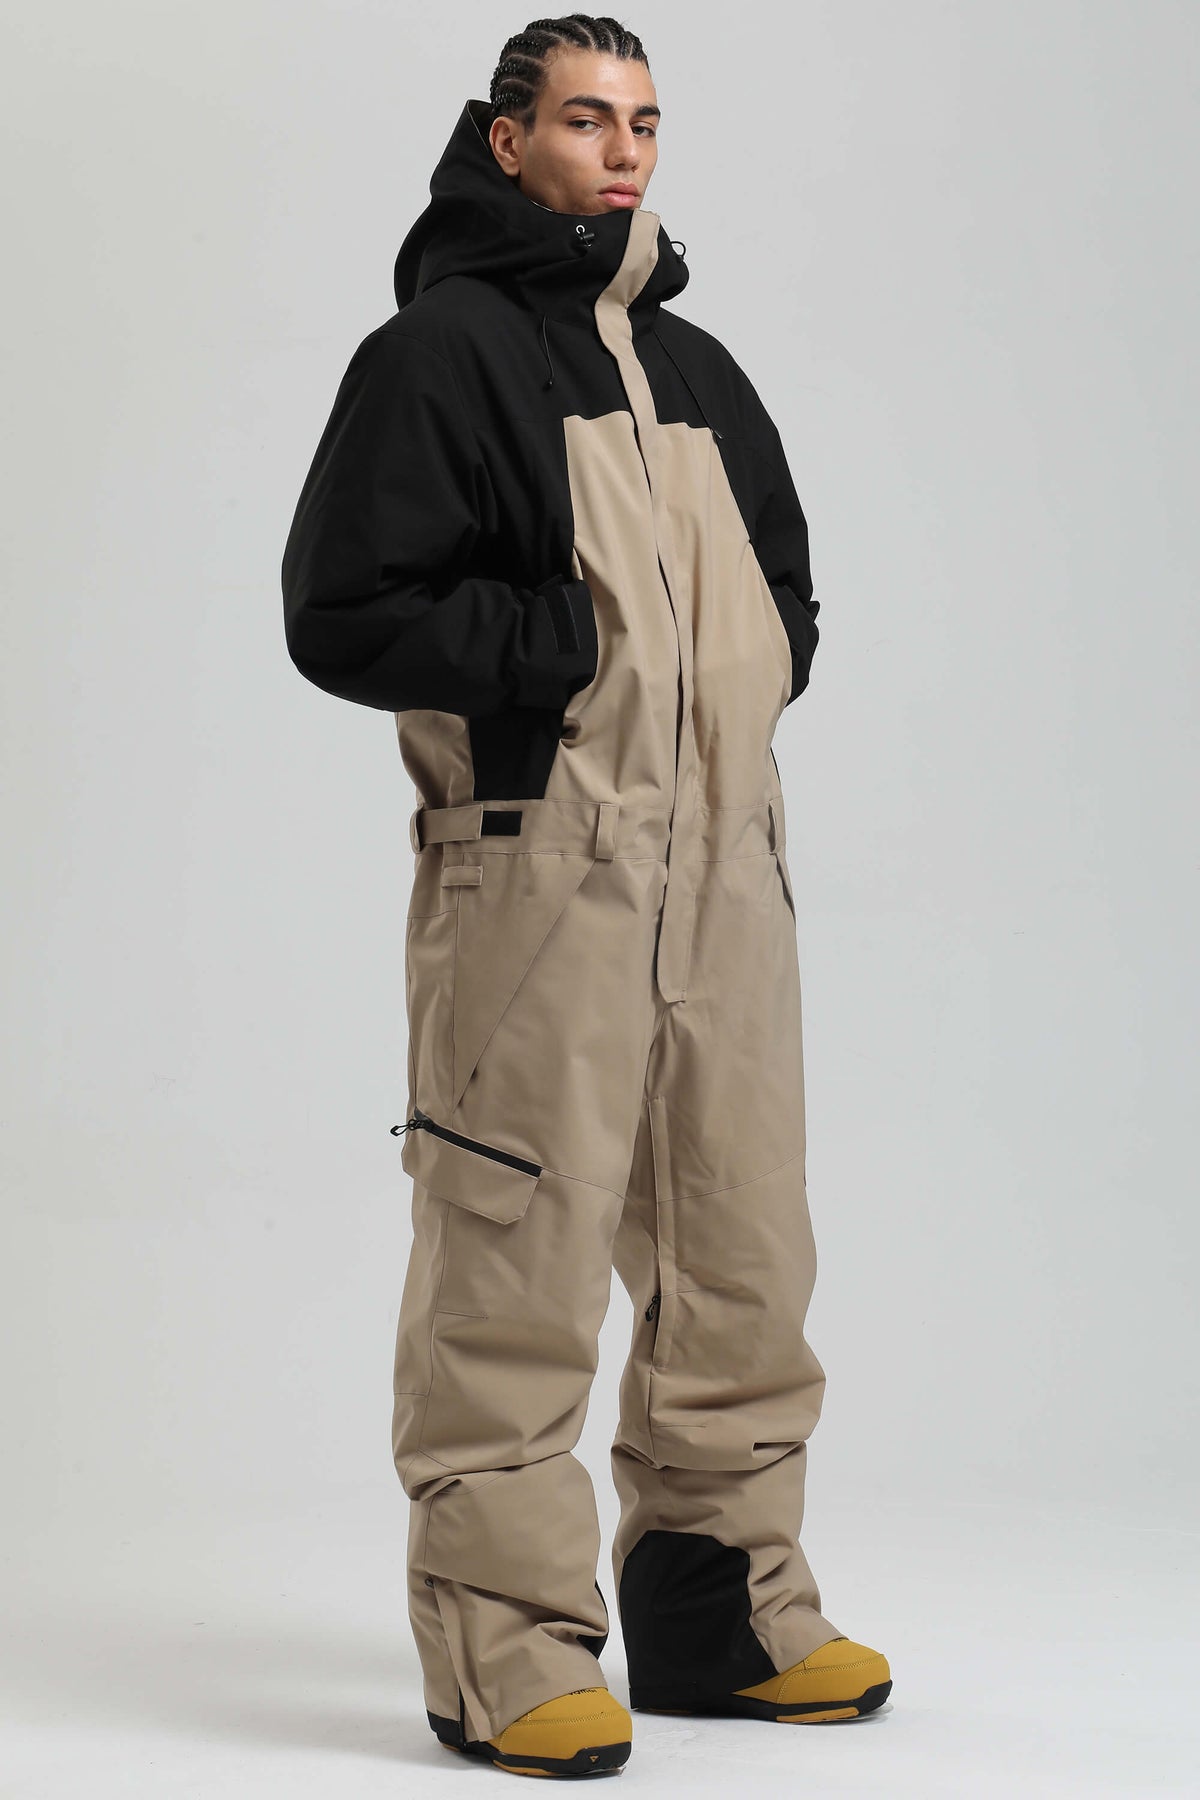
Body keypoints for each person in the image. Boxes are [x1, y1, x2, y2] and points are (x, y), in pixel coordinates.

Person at [281, 13, 892, 1782]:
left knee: (741, 1257)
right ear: (505, 141)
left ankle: (720, 1613)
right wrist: (563, 648)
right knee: (516, 1263)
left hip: (731, 874)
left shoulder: (698, 368)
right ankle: (503, 1648)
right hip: (538, 866)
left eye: (643, 122)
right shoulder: (438, 355)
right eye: (583, 120)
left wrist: (741, 674)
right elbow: (344, 608)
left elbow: (783, 594)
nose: (622, 152)